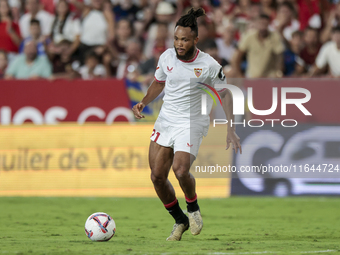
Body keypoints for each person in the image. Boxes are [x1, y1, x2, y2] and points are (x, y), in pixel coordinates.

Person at [131, 8, 242, 241]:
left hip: (192, 121)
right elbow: (159, 83)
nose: (179, 44)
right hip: (166, 119)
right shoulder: (166, 57)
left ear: (195, 40)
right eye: (176, 38)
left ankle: (193, 209)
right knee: (157, 177)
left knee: (180, 170)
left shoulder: (209, 65)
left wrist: (230, 129)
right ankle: (179, 220)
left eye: (184, 39)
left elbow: (227, 95)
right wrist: (143, 102)